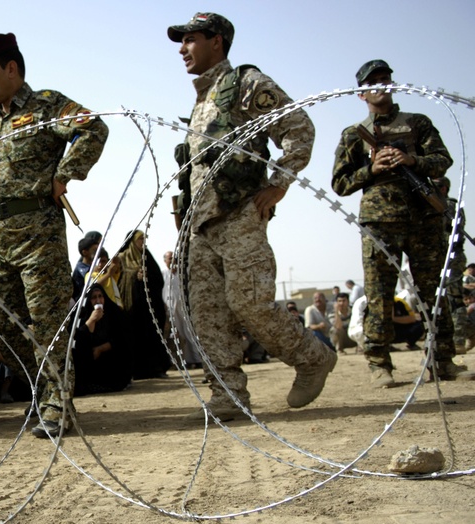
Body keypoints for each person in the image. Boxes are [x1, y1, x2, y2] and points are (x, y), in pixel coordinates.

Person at [0, 32, 109, 438]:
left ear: (11, 68)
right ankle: (44, 388)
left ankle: (57, 405)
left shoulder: (47, 105)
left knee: (47, 323)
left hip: (38, 235)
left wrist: (66, 173)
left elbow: (94, 128)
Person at [168, 13, 337, 421]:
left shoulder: (244, 84)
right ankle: (227, 394)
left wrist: (278, 183)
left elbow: (298, 126)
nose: (182, 49)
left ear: (217, 41)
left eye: (191, 39)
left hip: (239, 215)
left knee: (249, 303)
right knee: (207, 314)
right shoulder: (203, 100)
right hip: (201, 226)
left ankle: (311, 357)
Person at [332, 59, 474, 386]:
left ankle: (442, 360)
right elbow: (340, 183)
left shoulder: (418, 124)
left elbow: (443, 160)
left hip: (423, 218)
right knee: (380, 294)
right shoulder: (355, 135)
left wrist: (412, 160)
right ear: (361, 94)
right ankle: (379, 364)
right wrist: (373, 169)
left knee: (432, 292)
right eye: (373, 82)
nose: (381, 85)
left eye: (385, 79)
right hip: (380, 222)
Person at [117, 231, 171, 378]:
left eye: (144, 238)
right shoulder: (123, 258)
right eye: (140, 239)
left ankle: (156, 368)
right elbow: (119, 280)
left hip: (149, 307)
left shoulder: (147, 257)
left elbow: (158, 280)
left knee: (153, 337)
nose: (143, 241)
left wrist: (147, 278)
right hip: (132, 307)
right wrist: (135, 277)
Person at [73, 284, 132, 395]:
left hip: (110, 362)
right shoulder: (81, 315)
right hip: (91, 364)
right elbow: (78, 342)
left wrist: (102, 348)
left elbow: (123, 339)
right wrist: (91, 321)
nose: (98, 300)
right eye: (94, 297)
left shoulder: (114, 313)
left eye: (100, 296)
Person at [435, 177, 470, 355]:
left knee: (455, 299)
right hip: (441, 257)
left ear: (443, 188)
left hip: (452, 257)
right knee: (445, 299)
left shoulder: (448, 205)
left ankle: (458, 340)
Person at [71, 230, 102, 303]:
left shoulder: (92, 265)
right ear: (85, 252)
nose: (97, 253)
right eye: (94, 250)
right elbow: (89, 276)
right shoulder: (80, 267)